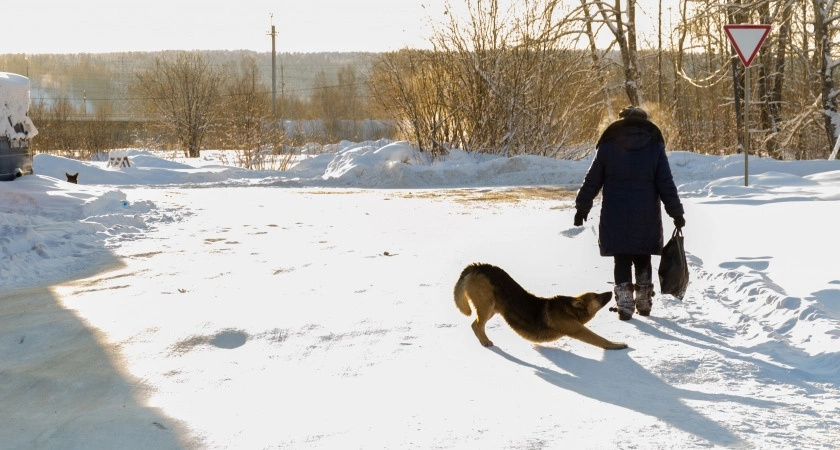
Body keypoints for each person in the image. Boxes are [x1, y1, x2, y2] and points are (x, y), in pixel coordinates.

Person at [573, 106, 685, 320]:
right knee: (642, 257)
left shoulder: (608, 144)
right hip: (646, 215)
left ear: (621, 121)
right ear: (645, 122)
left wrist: (582, 207)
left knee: (621, 258)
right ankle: (643, 299)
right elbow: (666, 184)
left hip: (615, 214)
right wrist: (676, 213)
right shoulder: (654, 145)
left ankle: (625, 303)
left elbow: (592, 180)